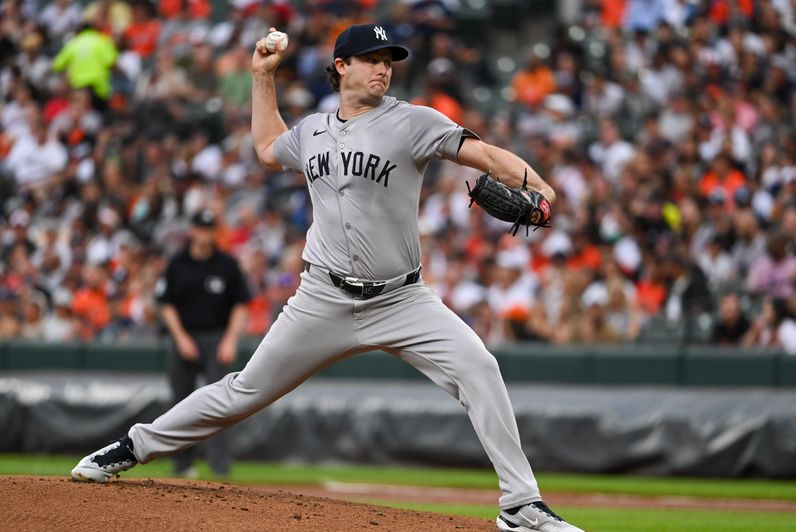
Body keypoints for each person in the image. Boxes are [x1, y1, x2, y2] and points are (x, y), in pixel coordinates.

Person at [71, 24, 583, 532]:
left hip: (402, 299)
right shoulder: (314, 129)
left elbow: (486, 156)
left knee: (480, 368)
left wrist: (540, 187)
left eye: (389, 59)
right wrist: (261, 76)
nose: (384, 67)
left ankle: (520, 504)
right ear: (342, 66)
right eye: (372, 58)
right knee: (243, 390)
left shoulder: (413, 122)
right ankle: (133, 446)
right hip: (322, 298)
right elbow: (269, 148)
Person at [156, 207, 251, 477]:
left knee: (222, 404)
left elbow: (241, 304)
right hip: (184, 336)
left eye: (210, 229)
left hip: (216, 337)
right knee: (180, 403)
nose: (205, 234)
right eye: (201, 228)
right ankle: (182, 465)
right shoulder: (178, 263)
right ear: (193, 230)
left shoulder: (226, 264)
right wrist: (181, 338)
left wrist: (230, 340)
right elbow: (166, 305)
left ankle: (220, 468)